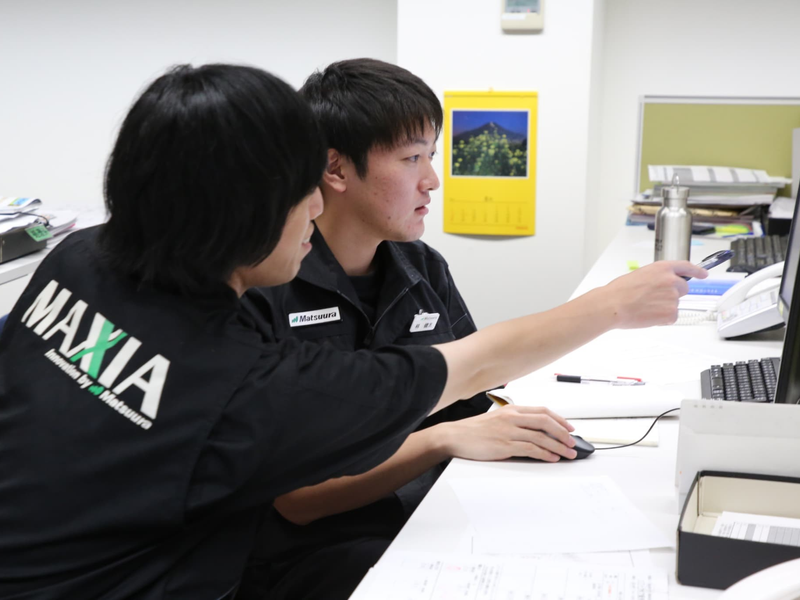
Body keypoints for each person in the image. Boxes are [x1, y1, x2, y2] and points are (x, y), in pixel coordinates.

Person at [0, 63, 704, 600]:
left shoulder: (77, 257)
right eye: (300, 190)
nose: (314, 206)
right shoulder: (243, 376)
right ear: (241, 212)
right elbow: (459, 369)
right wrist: (611, 305)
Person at [238, 59, 705, 600]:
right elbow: (299, 499)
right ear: (335, 169)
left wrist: (508, 427)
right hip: (315, 556)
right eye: (411, 158)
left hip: (421, 516)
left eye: (431, 157)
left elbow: (472, 389)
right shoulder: (266, 286)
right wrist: (440, 440)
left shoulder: (420, 267)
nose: (432, 181)